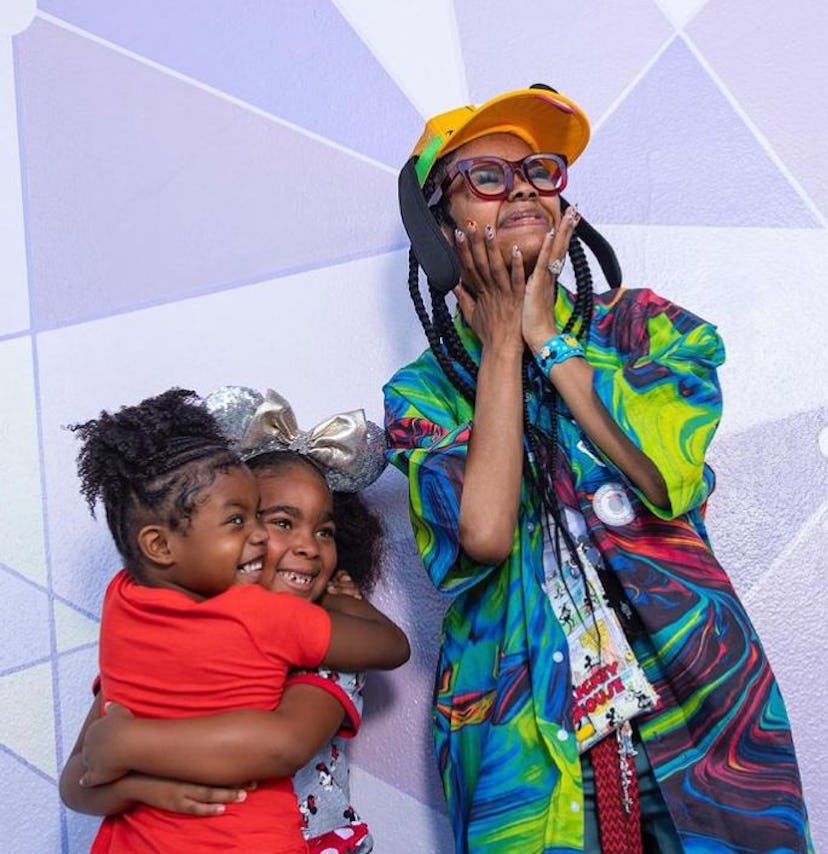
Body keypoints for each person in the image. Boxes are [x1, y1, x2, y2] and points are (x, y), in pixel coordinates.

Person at [384, 86, 813, 853]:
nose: (520, 187)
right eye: (485, 175)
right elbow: (482, 535)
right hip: (521, 724)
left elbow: (661, 479)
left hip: (698, 701)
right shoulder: (421, 393)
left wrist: (547, 335)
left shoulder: (647, 327)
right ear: (439, 228)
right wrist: (504, 347)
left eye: (539, 171)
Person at [61, 387, 408, 853]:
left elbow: (286, 742)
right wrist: (139, 789)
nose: (307, 545)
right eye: (275, 522)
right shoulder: (156, 642)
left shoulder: (325, 656)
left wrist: (346, 601)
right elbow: (77, 781)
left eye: (324, 531)